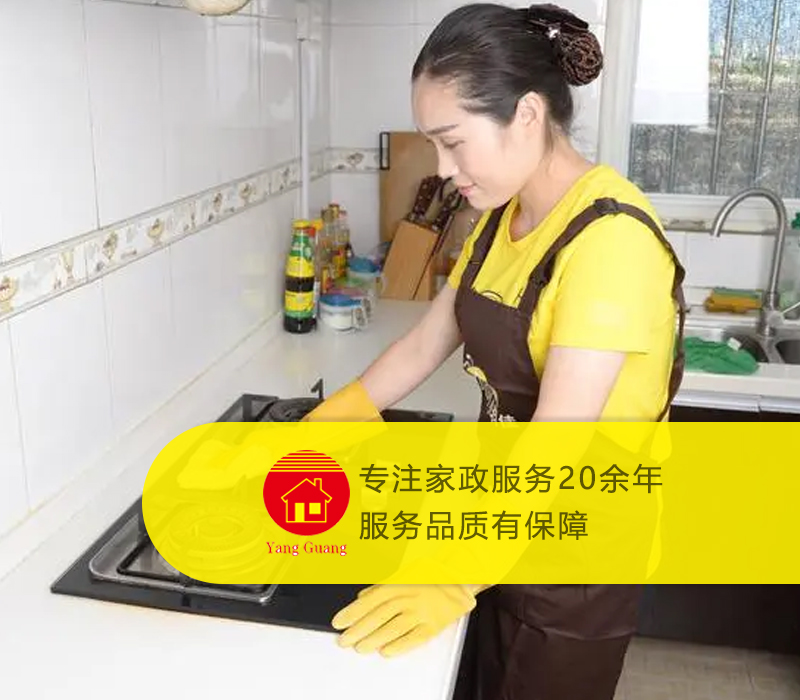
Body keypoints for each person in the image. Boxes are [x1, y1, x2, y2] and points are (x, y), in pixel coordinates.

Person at [303, 3, 686, 699]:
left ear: (527, 114)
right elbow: (426, 342)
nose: (444, 168)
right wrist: (329, 422)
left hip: (577, 554)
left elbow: (558, 442)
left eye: (454, 142)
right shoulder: (502, 214)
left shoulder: (612, 242)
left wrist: (454, 576)